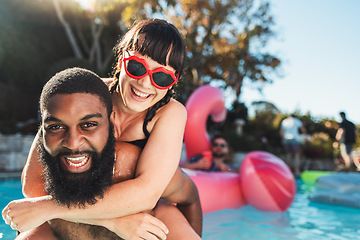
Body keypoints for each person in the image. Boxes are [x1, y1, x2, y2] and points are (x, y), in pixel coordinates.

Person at [4, 19, 203, 238]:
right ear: (121, 60)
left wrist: (49, 207)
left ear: (172, 83)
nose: (146, 84)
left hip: (170, 198)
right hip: (103, 200)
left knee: (126, 160)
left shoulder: (170, 112)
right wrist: (114, 222)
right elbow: (32, 185)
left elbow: (146, 194)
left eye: (162, 77)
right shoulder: (85, 95)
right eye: (137, 67)